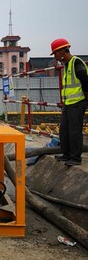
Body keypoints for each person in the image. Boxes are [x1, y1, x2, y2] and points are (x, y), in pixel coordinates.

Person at [50, 38, 88, 167]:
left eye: (55, 53)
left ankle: (76, 157)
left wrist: (85, 102)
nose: (55, 57)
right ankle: (66, 154)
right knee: (64, 130)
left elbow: (86, 84)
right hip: (69, 103)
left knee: (74, 130)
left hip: (78, 103)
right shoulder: (67, 65)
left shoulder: (76, 63)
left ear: (61, 51)